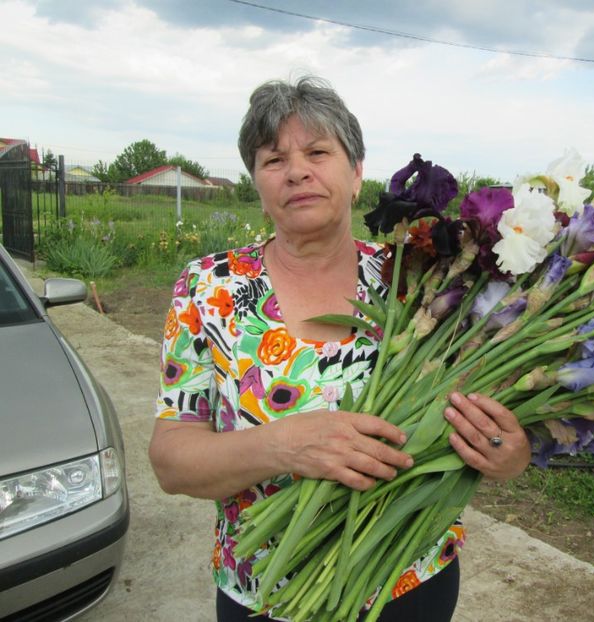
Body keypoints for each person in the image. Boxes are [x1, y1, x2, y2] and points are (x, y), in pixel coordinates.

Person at [148, 76, 531, 622]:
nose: (296, 171)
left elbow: (476, 408)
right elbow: (171, 462)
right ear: (256, 182)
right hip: (267, 593)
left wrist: (507, 453)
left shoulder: (419, 278)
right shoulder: (209, 288)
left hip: (407, 582)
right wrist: (283, 446)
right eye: (273, 159)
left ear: (356, 174)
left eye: (318, 152)